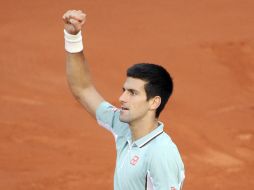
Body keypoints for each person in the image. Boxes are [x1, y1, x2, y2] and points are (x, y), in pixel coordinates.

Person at [62, 9, 185, 190]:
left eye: (133, 93)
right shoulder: (124, 127)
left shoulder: (161, 154)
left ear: (154, 102)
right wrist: (73, 37)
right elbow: (83, 89)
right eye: (124, 90)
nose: (122, 98)